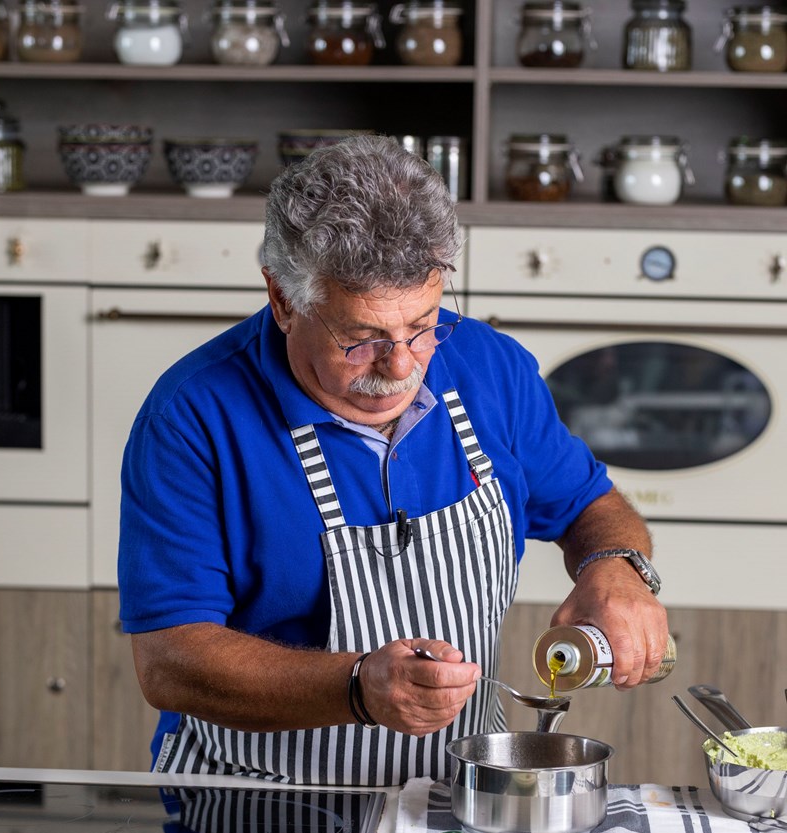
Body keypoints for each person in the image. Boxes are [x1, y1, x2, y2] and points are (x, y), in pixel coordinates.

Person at [118, 134, 670, 786]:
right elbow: (170, 661)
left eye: (424, 324)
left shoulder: (490, 367)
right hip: (253, 808)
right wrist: (356, 687)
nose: (402, 365)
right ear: (284, 300)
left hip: (454, 804)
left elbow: (588, 506)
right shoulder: (192, 418)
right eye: (362, 339)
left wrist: (617, 567)